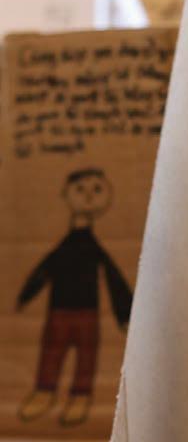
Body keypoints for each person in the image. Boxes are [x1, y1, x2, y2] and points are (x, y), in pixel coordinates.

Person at [17, 168, 132, 426]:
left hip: (88, 313)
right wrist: (26, 295)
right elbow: (44, 270)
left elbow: (113, 279)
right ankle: (45, 391)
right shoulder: (64, 246)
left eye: (97, 189)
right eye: (80, 189)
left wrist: (124, 314)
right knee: (52, 351)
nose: (89, 196)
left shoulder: (94, 248)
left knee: (86, 355)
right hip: (58, 312)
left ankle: (80, 396)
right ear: (65, 194)